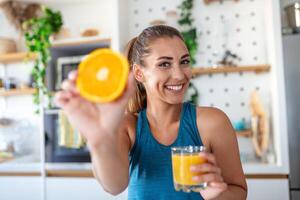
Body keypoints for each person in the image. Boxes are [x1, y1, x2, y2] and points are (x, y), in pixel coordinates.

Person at [55, 25, 247, 200]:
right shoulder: (127, 126)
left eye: (184, 61)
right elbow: (114, 186)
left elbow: (239, 191)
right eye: (164, 64)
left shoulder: (212, 122)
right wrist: (99, 142)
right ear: (139, 73)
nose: (180, 75)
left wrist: (217, 195)